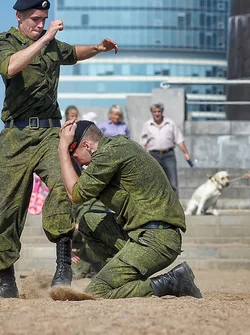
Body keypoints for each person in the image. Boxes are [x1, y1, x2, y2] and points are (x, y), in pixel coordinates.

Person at [0, 0, 118, 298]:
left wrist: (99, 48)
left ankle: (63, 267)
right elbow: (10, 67)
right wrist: (45, 39)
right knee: (3, 209)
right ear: (19, 16)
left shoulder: (50, 44)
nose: (40, 24)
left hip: (50, 132)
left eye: (44, 20)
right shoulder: (7, 41)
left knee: (65, 184)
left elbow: (73, 52)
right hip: (16, 136)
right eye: (35, 19)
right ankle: (6, 281)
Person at [58, 120, 202, 299]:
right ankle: (122, 277)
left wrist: (62, 150)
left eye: (74, 153)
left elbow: (75, 194)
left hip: (156, 239)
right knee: (89, 222)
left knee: (97, 292)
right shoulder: (114, 148)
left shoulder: (108, 154)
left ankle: (172, 282)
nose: (74, 159)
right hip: (142, 234)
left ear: (86, 145)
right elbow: (79, 191)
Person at [140, 103, 191, 195]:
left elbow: (179, 139)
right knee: (155, 183)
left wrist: (186, 153)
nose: (157, 114)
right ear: (152, 113)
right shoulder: (147, 125)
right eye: (155, 112)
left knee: (172, 183)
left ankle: (175, 208)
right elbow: (143, 143)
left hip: (168, 155)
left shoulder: (170, 123)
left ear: (162, 112)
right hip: (153, 155)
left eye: (159, 111)